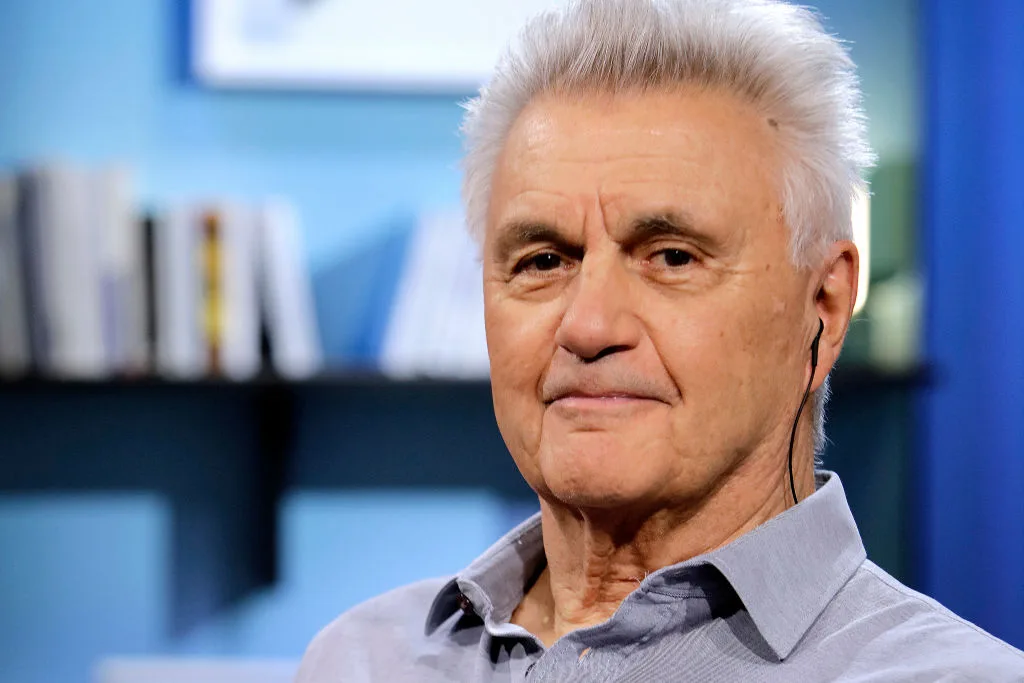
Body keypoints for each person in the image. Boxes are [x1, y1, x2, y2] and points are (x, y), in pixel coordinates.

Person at [296, 0, 1024, 680]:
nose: (588, 326)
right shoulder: (359, 658)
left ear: (825, 305)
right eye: (543, 261)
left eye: (673, 256)